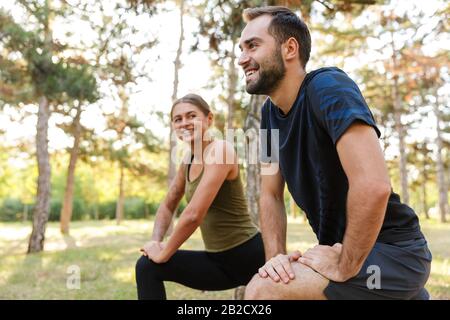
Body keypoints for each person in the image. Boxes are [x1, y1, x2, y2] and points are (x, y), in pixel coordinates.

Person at [237, 6, 432, 300]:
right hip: (345, 254)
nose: (242, 59)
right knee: (269, 280)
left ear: (290, 48)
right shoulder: (268, 117)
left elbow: (374, 185)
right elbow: (270, 194)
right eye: (241, 48)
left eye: (252, 45)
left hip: (395, 254)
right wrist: (274, 261)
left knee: (263, 292)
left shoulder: (328, 87)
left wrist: (345, 265)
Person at [135, 93, 265, 300]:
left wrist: (165, 252)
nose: (184, 123)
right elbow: (168, 205)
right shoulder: (188, 160)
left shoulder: (221, 150)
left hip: (248, 255)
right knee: (147, 267)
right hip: (217, 261)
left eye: (191, 116)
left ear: (209, 119)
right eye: (178, 119)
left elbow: (194, 214)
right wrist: (155, 242)